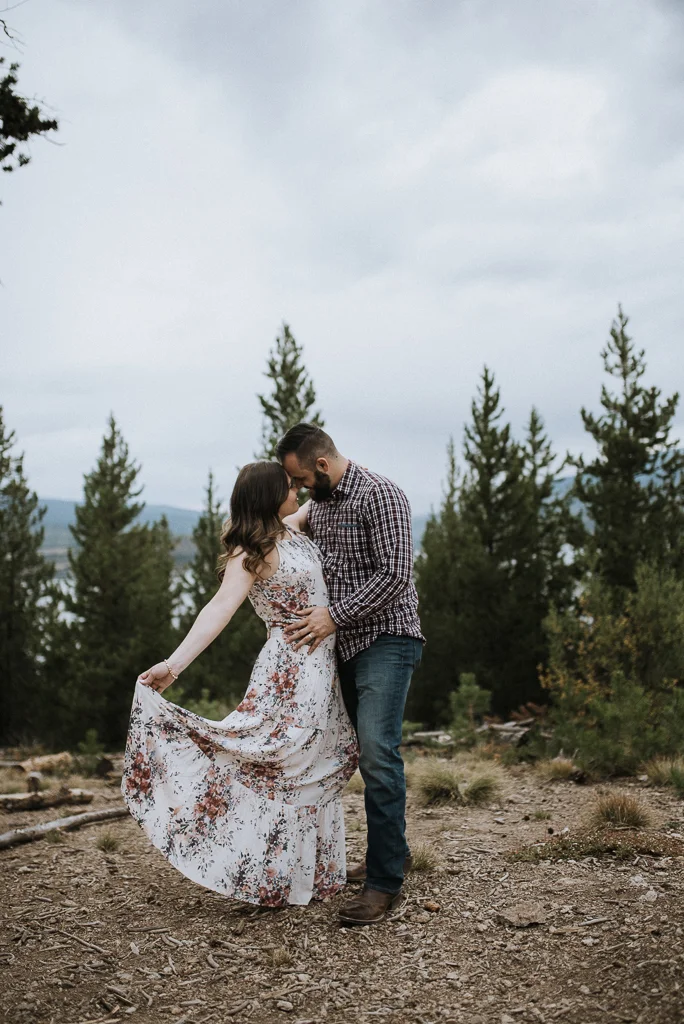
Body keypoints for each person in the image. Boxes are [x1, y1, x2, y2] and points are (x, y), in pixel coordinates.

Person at [121, 461, 358, 907]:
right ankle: (269, 874)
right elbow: (221, 606)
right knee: (283, 761)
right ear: (270, 495)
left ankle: (311, 874)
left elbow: (328, 495)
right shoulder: (253, 548)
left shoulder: (289, 527)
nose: (297, 490)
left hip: (326, 665)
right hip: (291, 669)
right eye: (289, 486)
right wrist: (174, 666)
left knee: (317, 758)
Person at [277, 423, 424, 925]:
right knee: (361, 754)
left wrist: (333, 616)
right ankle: (394, 853)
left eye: (300, 479)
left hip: (388, 637)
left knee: (380, 754)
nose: (299, 490)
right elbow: (288, 525)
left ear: (321, 465)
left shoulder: (381, 494)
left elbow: (395, 574)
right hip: (344, 645)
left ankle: (384, 885)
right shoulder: (320, 503)